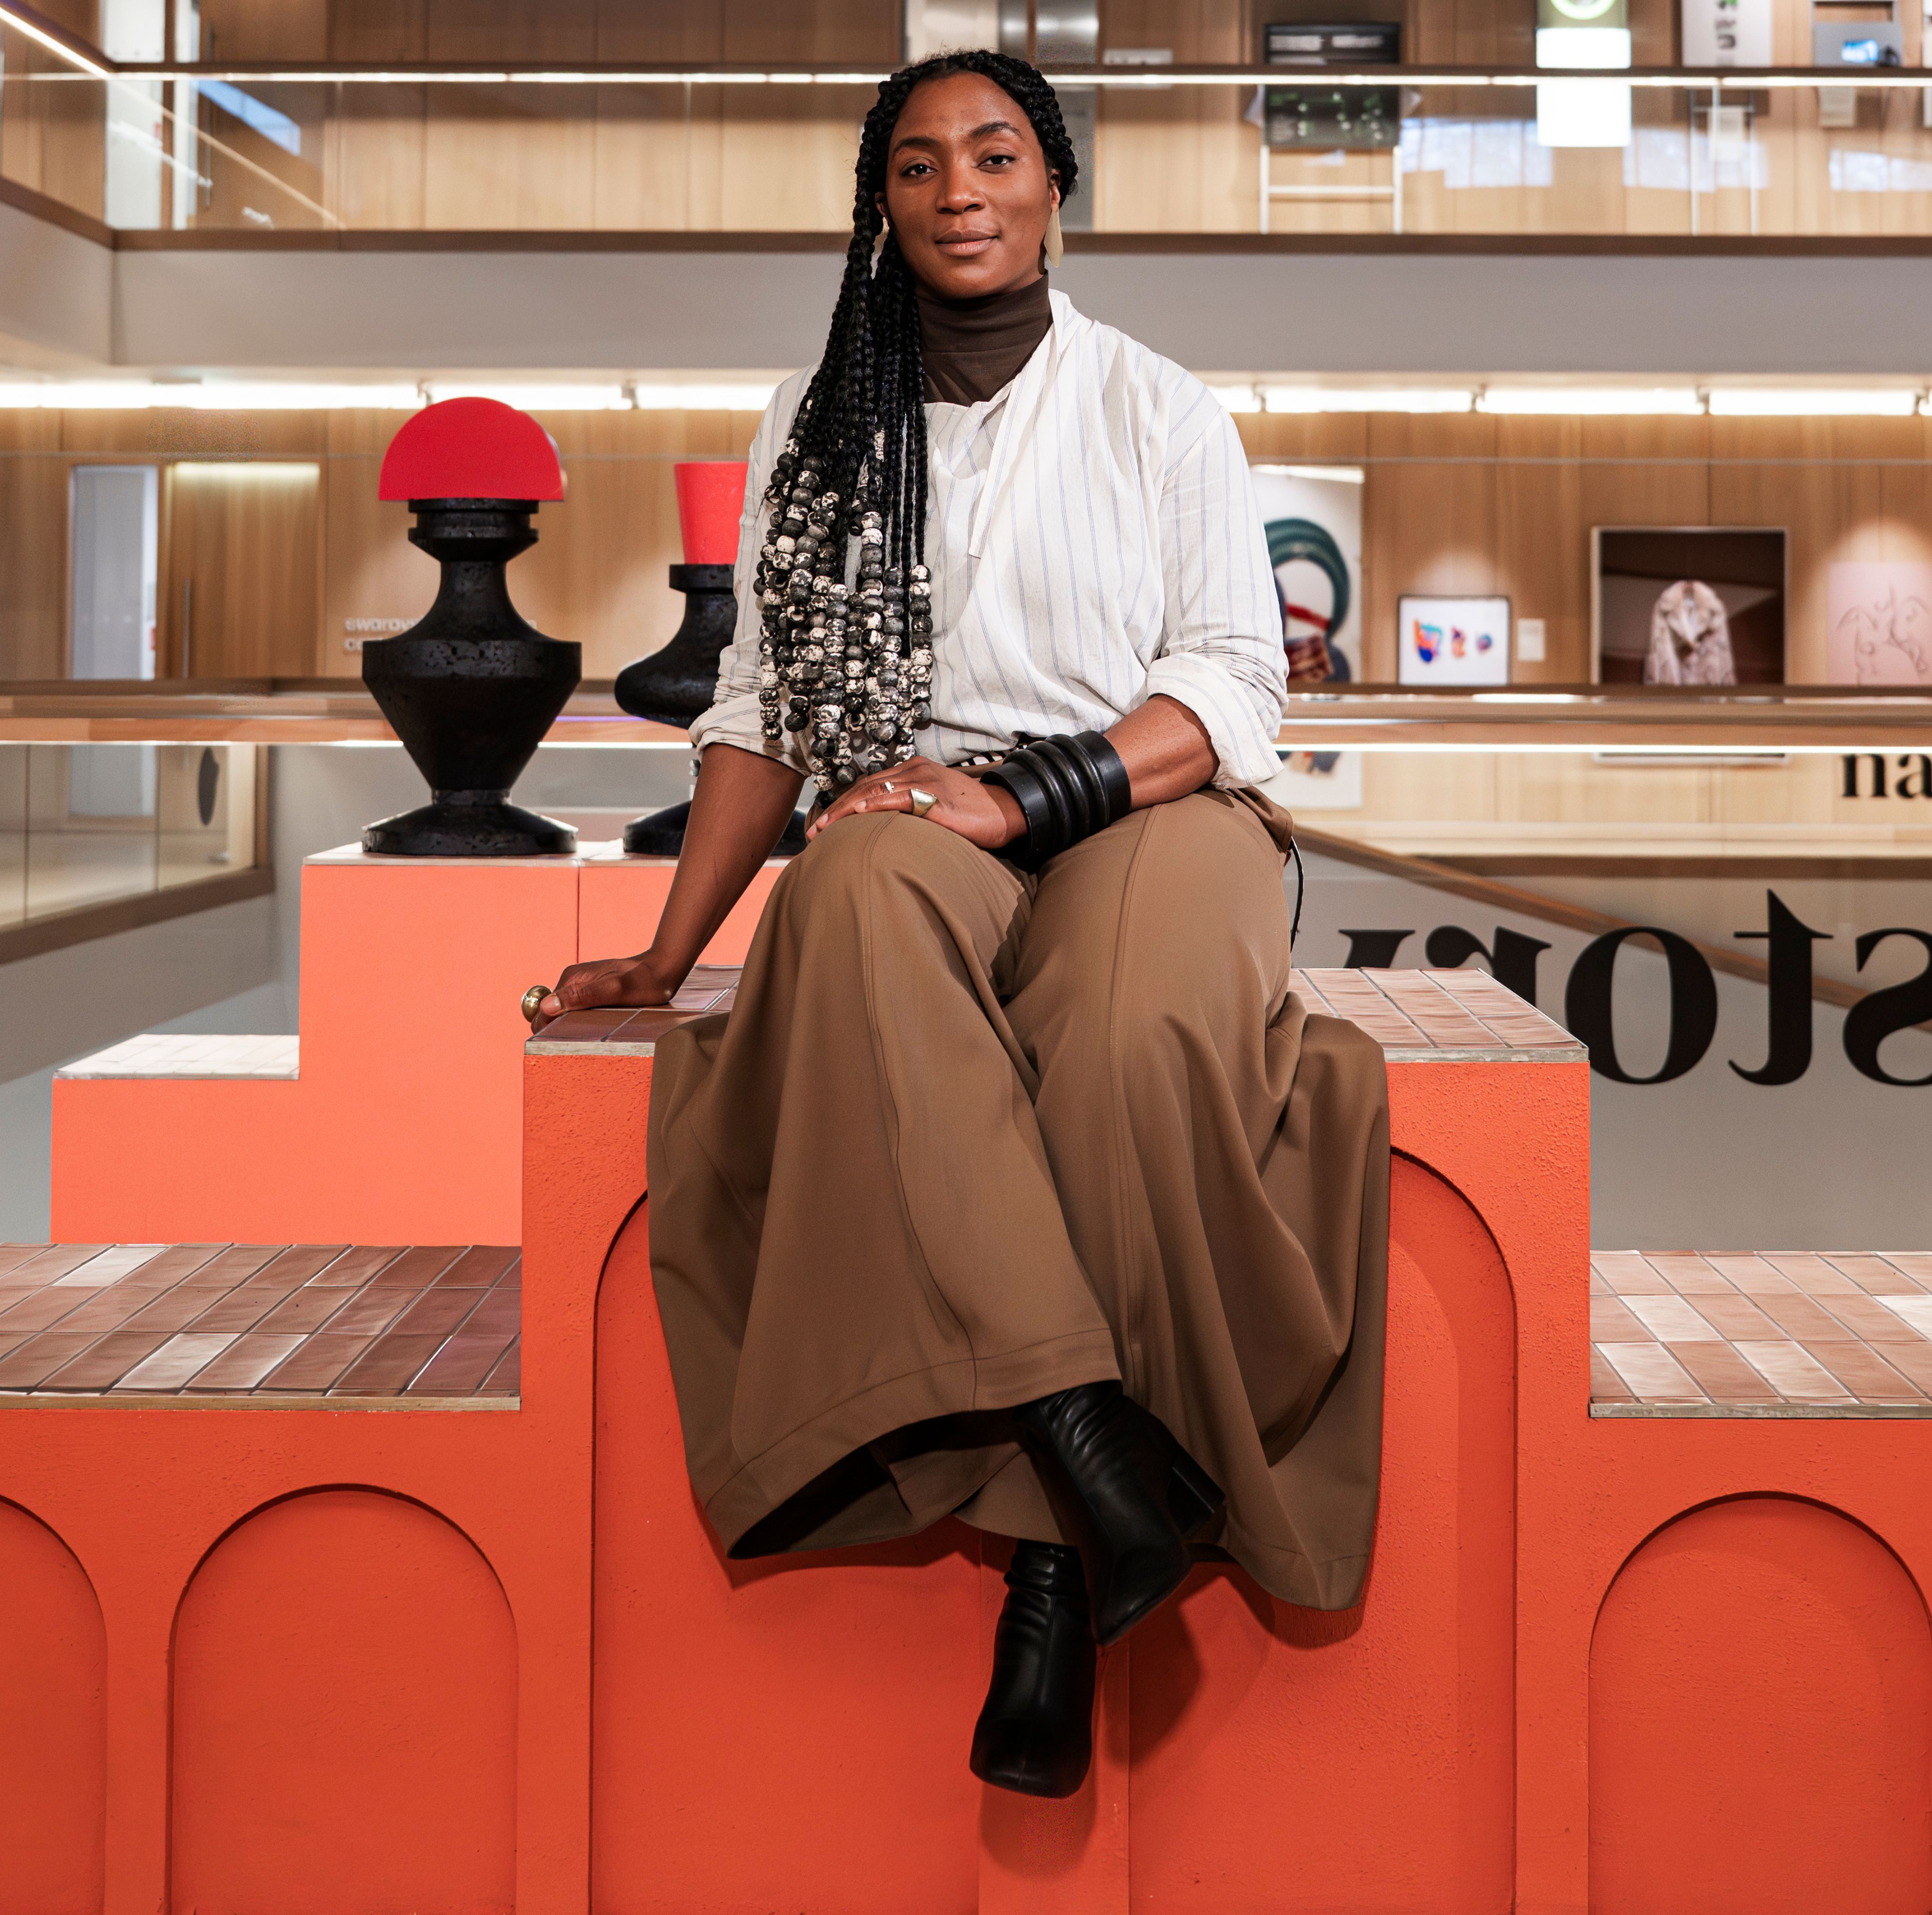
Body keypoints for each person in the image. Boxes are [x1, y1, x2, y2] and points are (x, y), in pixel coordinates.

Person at [532, 50, 1392, 1802]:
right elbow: (766, 708)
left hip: (1146, 802)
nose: (958, 192)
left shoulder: (1157, 408)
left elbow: (1234, 686)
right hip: (912, 802)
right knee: (849, 901)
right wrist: (667, 948)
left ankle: (1050, 1572)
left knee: (1125, 1035)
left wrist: (1024, 796)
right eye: (917, 165)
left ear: (1054, 185)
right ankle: (1093, 1445)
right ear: (883, 203)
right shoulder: (816, 420)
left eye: (993, 154)